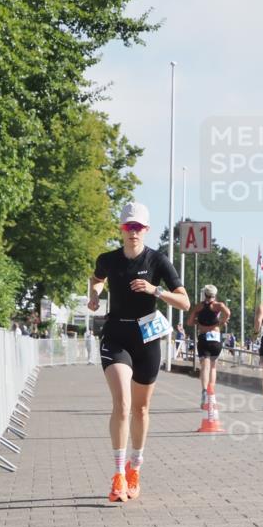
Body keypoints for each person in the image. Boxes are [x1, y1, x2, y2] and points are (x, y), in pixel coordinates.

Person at [88, 202, 190, 502]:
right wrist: (93, 297)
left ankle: (135, 467)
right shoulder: (108, 259)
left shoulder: (158, 261)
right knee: (122, 403)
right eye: (128, 227)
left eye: (138, 227)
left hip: (146, 338)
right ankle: (118, 475)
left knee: (141, 409)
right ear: (121, 229)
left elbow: (184, 303)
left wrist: (155, 290)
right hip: (116, 334)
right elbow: (96, 280)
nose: (133, 232)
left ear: (146, 229)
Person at [187, 284, 231, 408]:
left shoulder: (199, 306)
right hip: (215, 338)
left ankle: (204, 391)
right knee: (213, 367)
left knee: (205, 367)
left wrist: (199, 322)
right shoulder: (219, 306)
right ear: (215, 295)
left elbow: (189, 322)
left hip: (203, 337)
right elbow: (228, 313)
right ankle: (212, 395)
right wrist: (220, 321)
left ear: (204, 294)